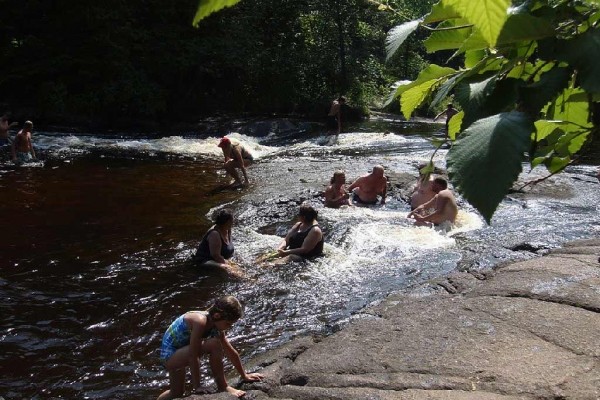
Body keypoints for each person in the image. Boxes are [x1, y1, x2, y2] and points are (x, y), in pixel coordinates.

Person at [157, 295, 264, 399]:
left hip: (180, 353)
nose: (229, 327)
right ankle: (223, 386)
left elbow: (230, 351)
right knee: (214, 344)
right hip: (170, 356)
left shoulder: (215, 325)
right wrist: (197, 386)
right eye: (228, 324)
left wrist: (244, 375)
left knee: (176, 393)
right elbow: (193, 355)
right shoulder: (200, 321)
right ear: (217, 315)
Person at [194, 209, 244, 278]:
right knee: (228, 268)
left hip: (220, 257)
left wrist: (234, 262)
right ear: (226, 222)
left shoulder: (228, 229)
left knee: (239, 264)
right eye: (231, 220)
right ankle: (246, 279)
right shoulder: (215, 234)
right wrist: (229, 264)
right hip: (206, 260)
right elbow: (216, 256)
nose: (233, 222)